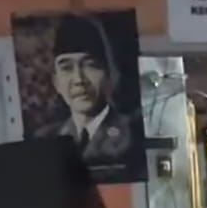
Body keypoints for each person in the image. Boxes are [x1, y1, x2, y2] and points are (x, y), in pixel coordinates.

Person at [35, 14, 134, 165]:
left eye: (90, 65)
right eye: (66, 68)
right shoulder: (45, 140)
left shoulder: (132, 135)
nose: (79, 80)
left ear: (109, 74)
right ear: (56, 82)